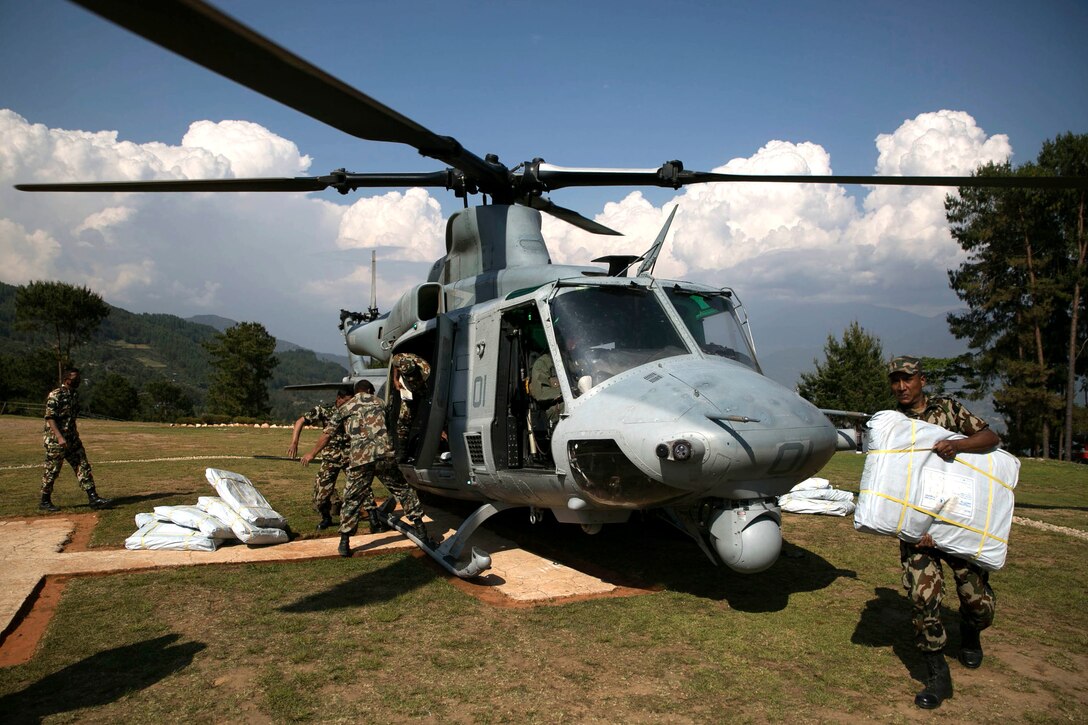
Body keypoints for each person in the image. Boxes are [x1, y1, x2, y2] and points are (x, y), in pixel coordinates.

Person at [887, 355, 1001, 710]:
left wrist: (958, 445)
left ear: (921, 379)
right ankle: (937, 674)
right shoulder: (893, 424)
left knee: (978, 601)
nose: (901, 387)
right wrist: (909, 527)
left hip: (957, 521)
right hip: (918, 530)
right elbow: (888, 480)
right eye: (895, 381)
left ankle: (970, 630)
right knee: (923, 597)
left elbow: (990, 436)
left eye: (907, 379)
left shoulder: (948, 410)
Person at [301, 379, 435, 558]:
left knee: (352, 498)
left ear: (356, 392)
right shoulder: (381, 403)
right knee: (403, 490)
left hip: (360, 459)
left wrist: (313, 453)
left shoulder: (346, 407)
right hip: (384, 455)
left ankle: (344, 541)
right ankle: (421, 529)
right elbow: (394, 425)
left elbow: (327, 434)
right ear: (371, 390)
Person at [40, 368, 111, 511]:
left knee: (83, 465)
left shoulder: (74, 395)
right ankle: (45, 500)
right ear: (66, 379)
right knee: (52, 470)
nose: (77, 381)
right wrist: (59, 437)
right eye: (74, 379)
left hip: (72, 438)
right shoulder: (55, 395)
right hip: (56, 440)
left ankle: (93, 497)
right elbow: (50, 418)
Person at [287, 389, 351, 530]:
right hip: (330, 458)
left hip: (350, 456)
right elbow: (300, 421)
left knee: (362, 489)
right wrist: (294, 442)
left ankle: (373, 517)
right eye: (346, 401)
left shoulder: (355, 409)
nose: (348, 404)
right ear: (338, 398)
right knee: (321, 495)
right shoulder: (324, 410)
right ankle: (326, 517)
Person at [389, 352, 430, 461]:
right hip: (408, 392)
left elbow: (427, 391)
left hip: (422, 390)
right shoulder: (398, 359)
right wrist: (395, 379)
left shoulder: (426, 371)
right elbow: (395, 367)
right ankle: (402, 452)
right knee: (403, 419)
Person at [529, 351, 564, 427]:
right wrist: (568, 392)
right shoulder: (543, 363)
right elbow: (540, 394)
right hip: (555, 411)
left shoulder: (574, 360)